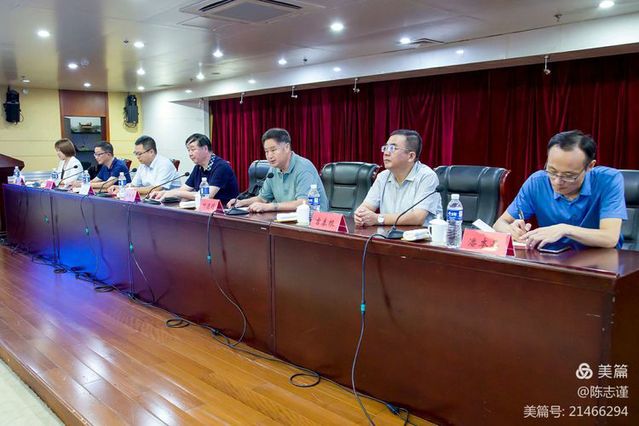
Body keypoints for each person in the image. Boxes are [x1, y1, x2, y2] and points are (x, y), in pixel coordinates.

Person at [493, 130, 626, 249]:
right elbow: (499, 224)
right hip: (552, 260)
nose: (557, 182)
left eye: (569, 175)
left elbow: (610, 238)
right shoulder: (537, 182)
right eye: (552, 171)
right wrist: (512, 231)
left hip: (599, 262)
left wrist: (564, 230)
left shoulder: (608, 180)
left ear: (589, 166)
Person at [354, 129, 442, 227]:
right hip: (388, 234)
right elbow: (366, 206)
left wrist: (378, 219)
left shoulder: (427, 176)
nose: (386, 153)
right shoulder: (383, 177)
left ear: (411, 156)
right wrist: (360, 215)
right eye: (385, 148)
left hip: (420, 235)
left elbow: (418, 217)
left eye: (392, 148)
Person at [227, 128, 327, 213]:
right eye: (266, 151)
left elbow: (303, 203)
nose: (269, 156)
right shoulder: (273, 169)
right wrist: (241, 202)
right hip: (286, 218)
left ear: (287, 147)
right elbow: (262, 198)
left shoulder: (304, 167)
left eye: (273, 150)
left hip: (311, 221)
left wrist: (271, 206)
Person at [150, 133, 239, 205]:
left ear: (205, 148)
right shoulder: (198, 167)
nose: (190, 154)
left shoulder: (221, 167)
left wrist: (177, 193)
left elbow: (206, 196)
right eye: (188, 150)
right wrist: (165, 193)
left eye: (193, 149)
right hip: (205, 211)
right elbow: (184, 189)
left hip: (225, 212)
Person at [108, 135, 180, 196]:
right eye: (135, 153)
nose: (137, 157)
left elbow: (155, 189)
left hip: (171, 203)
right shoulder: (143, 165)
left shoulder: (164, 164)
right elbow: (134, 185)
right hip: (150, 199)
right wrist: (120, 188)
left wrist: (129, 190)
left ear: (151, 152)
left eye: (139, 154)